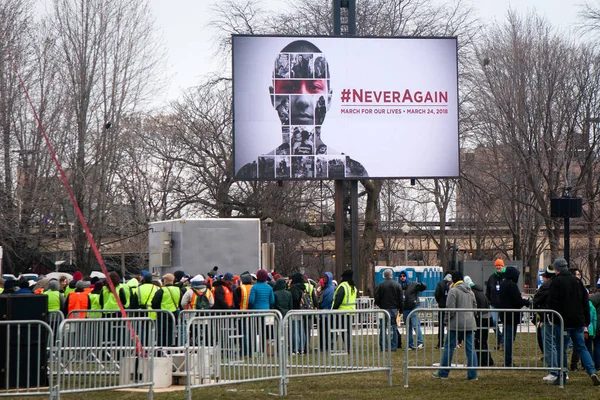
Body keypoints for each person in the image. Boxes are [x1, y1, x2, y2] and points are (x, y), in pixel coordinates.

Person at [236, 39, 368, 179]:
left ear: (328, 99)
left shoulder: (354, 171)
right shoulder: (253, 171)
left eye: (314, 88)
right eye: (289, 87)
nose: (302, 100)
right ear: (273, 97)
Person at [548, 257, 600, 386]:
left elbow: (552, 303)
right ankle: (592, 371)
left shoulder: (556, 282)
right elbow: (585, 302)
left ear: (557, 268)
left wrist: (553, 319)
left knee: (562, 349)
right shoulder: (577, 282)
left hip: (562, 321)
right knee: (582, 348)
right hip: (578, 321)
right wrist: (586, 320)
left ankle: (563, 375)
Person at [432, 270, 478, 380]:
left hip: (455, 323)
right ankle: (473, 375)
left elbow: (450, 309)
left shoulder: (453, 291)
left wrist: (446, 321)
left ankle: (443, 372)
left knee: (448, 347)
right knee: (471, 349)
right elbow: (475, 306)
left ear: (454, 280)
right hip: (470, 323)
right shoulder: (470, 291)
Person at [498, 266, 530, 367]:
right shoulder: (512, 285)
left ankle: (508, 361)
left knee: (508, 338)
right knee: (509, 339)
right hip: (511, 316)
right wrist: (526, 302)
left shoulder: (503, 284)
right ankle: (508, 362)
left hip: (506, 315)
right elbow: (517, 300)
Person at [533, 266, 558, 381]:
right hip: (562, 318)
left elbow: (536, 299)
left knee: (549, 344)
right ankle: (563, 371)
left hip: (548, 318)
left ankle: (553, 371)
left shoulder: (547, 286)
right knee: (559, 345)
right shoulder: (564, 283)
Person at [465, 275, 494, 367]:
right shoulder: (480, 291)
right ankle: (487, 360)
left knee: (478, 340)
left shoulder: (472, 292)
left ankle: (481, 361)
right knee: (483, 340)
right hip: (487, 318)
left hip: (480, 319)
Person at [374, 268, 403, 352]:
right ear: (391, 275)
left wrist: (380, 305)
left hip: (383, 309)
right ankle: (394, 346)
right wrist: (400, 309)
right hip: (394, 308)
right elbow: (400, 298)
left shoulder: (380, 285)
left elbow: (377, 297)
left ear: (384, 276)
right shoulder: (397, 285)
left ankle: (384, 346)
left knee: (383, 327)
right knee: (394, 327)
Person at [399, 270, 426, 350]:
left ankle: (420, 342)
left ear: (406, 276)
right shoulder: (399, 286)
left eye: (404, 276)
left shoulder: (413, 284)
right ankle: (410, 345)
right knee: (408, 327)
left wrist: (422, 284)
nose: (402, 277)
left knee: (415, 325)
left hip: (414, 308)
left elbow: (423, 287)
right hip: (405, 309)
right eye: (401, 276)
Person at [151, 273, 181, 347]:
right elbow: (181, 302)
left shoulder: (162, 290)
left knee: (161, 333)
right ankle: (170, 348)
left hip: (162, 315)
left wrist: (157, 310)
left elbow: (154, 302)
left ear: (165, 280)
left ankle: (161, 349)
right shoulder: (178, 290)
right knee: (171, 332)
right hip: (174, 314)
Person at [332, 269, 357, 353]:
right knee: (347, 332)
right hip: (350, 313)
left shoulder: (343, 286)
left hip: (341, 312)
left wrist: (333, 310)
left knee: (335, 330)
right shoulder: (353, 287)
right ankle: (348, 347)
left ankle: (331, 346)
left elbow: (338, 300)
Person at [486, 259, 505, 349]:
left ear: (503, 266)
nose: (498, 267)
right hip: (494, 305)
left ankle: (503, 343)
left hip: (504, 305)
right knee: (493, 323)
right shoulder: (491, 278)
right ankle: (500, 340)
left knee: (505, 324)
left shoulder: (506, 277)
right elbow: (488, 292)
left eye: (500, 265)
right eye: (497, 265)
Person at [434, 272, 452, 349]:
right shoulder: (451, 284)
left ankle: (440, 343)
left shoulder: (440, 284)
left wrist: (440, 302)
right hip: (450, 307)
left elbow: (436, 294)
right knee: (450, 326)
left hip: (442, 307)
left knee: (441, 325)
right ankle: (451, 342)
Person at [319, 272, 335, 352]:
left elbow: (328, 300)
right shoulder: (325, 288)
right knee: (322, 330)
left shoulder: (330, 288)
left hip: (327, 312)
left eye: (326, 278)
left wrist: (320, 305)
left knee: (327, 330)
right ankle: (323, 345)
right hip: (323, 313)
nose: (324, 279)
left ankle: (327, 345)